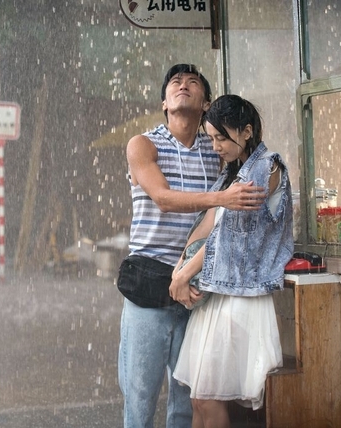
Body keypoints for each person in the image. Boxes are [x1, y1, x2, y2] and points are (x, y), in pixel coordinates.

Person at [119, 65, 268, 428]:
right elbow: (163, 198)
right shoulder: (143, 144)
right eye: (175, 82)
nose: (182, 85)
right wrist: (222, 198)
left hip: (200, 286)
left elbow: (247, 180)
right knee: (140, 396)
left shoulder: (216, 149)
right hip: (150, 281)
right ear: (164, 103)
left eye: (192, 82)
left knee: (188, 398)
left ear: (206, 104)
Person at [169, 94, 294, 428]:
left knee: (209, 400)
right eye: (211, 138)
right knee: (198, 400)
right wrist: (179, 271)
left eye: (221, 138)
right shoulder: (232, 175)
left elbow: (228, 239)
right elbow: (206, 226)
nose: (215, 147)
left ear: (247, 131)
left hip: (240, 297)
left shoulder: (266, 167)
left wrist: (184, 275)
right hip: (218, 294)